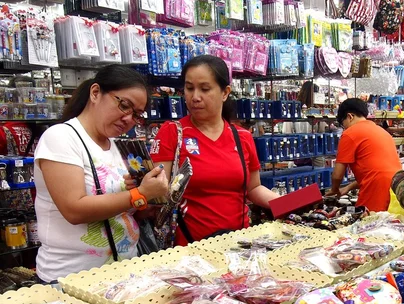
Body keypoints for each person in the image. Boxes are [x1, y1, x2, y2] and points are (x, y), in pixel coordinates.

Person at [33, 65, 169, 282]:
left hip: (123, 274)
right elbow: (74, 210)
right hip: (70, 278)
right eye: (124, 105)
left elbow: (128, 212)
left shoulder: (118, 147)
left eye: (136, 115)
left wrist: (150, 199)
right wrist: (139, 194)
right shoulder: (60, 138)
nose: (128, 119)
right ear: (95, 93)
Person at [149, 55, 279, 244]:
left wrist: (288, 203)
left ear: (225, 92)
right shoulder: (172, 132)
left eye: (205, 89)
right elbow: (157, 193)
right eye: (189, 88)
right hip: (189, 249)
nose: (195, 97)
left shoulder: (242, 137)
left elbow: (254, 188)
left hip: (239, 243)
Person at [325, 98, 402, 212]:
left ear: (350, 116)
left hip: (376, 190)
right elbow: (375, 170)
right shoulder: (381, 131)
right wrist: (348, 187)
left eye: (343, 124)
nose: (344, 128)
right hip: (397, 188)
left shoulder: (349, 134)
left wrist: (335, 189)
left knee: (366, 223)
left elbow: (337, 175)